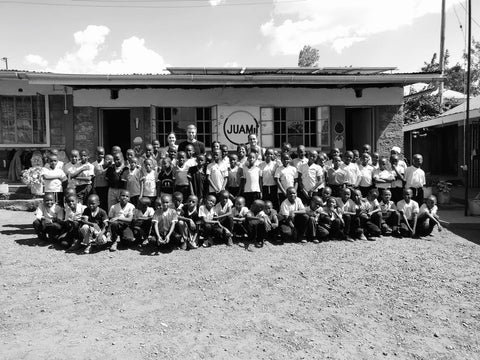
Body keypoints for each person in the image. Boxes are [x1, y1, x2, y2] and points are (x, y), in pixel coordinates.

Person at [92, 146, 109, 211]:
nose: (100, 155)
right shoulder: (93, 164)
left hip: (106, 187)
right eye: (98, 153)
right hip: (97, 187)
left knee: (105, 203)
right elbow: (93, 178)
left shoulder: (107, 163)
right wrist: (93, 188)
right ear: (95, 154)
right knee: (98, 203)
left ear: (104, 154)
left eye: (102, 154)